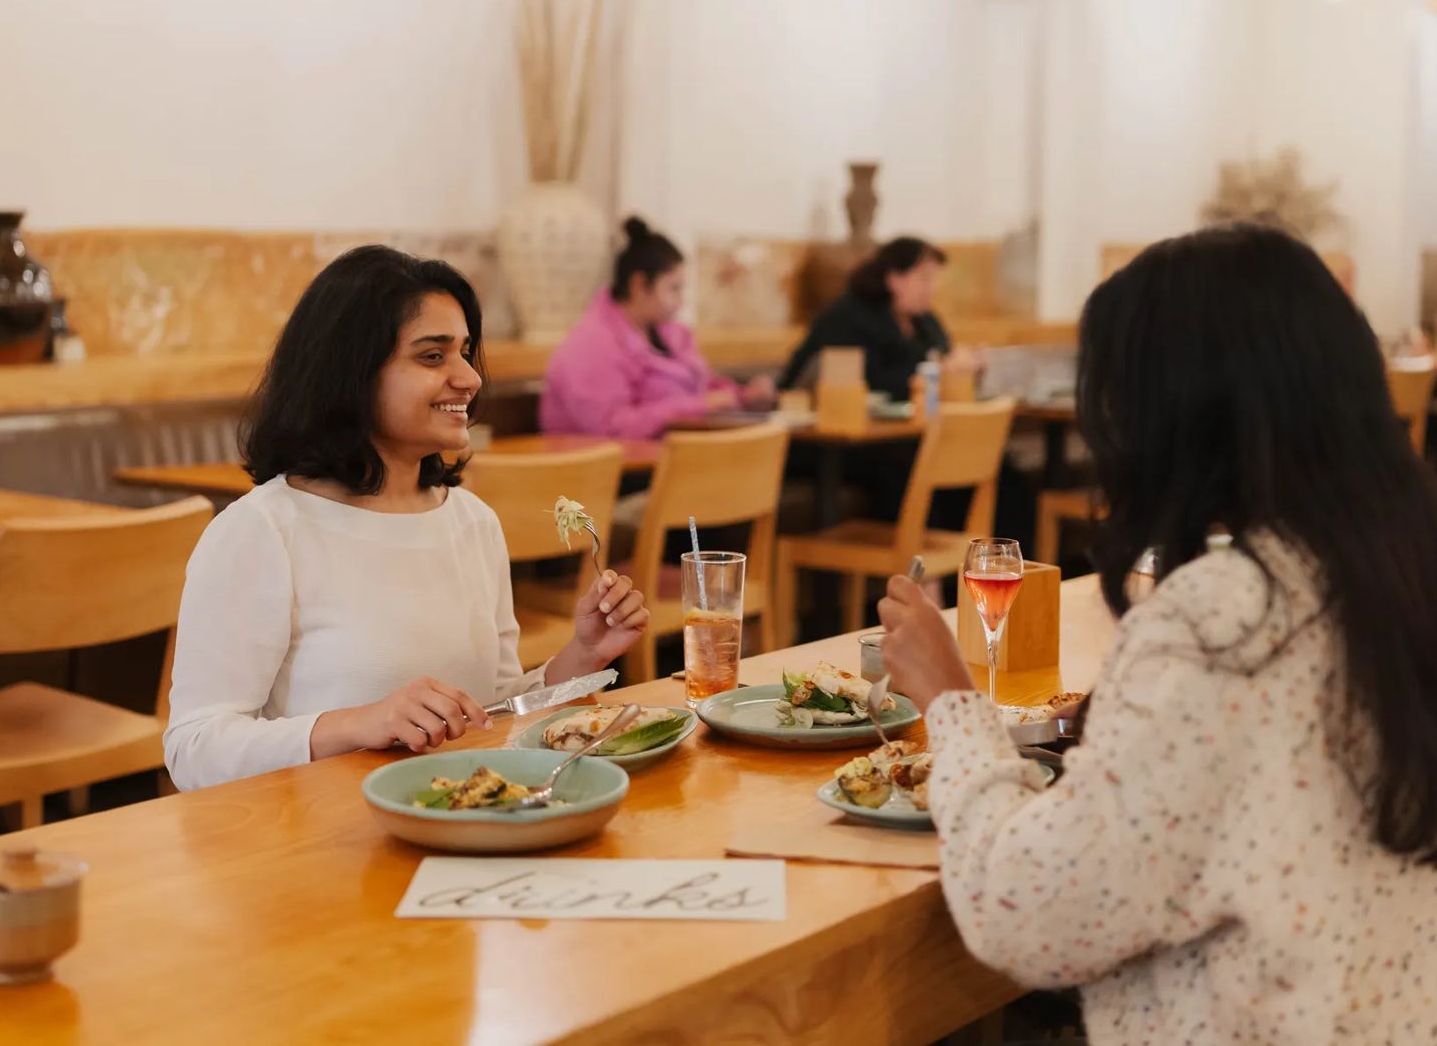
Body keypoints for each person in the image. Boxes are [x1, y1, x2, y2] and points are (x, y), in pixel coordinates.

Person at [878, 224, 1437, 1044]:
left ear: (1180, 415)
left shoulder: (1229, 617)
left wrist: (952, 703)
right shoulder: (1399, 572)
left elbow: (1027, 909)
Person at [164, 246, 647, 792]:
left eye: (465, 352)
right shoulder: (263, 531)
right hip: (321, 842)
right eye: (432, 356)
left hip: (463, 825)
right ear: (351, 374)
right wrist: (359, 723)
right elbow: (194, 750)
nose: (469, 378)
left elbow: (496, 712)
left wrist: (582, 655)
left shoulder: (472, 522)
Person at [541, 217, 776, 440]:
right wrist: (700, 405)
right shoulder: (590, 345)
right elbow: (611, 427)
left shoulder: (667, 334)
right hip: (608, 474)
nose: (681, 301)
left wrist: (742, 396)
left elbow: (699, 389)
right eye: (674, 289)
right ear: (639, 284)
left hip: (671, 461)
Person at [779, 236, 956, 397]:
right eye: (925, 278)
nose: (932, 288)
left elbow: (943, 351)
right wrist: (940, 370)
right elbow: (874, 383)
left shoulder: (921, 318)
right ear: (894, 279)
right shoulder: (848, 316)